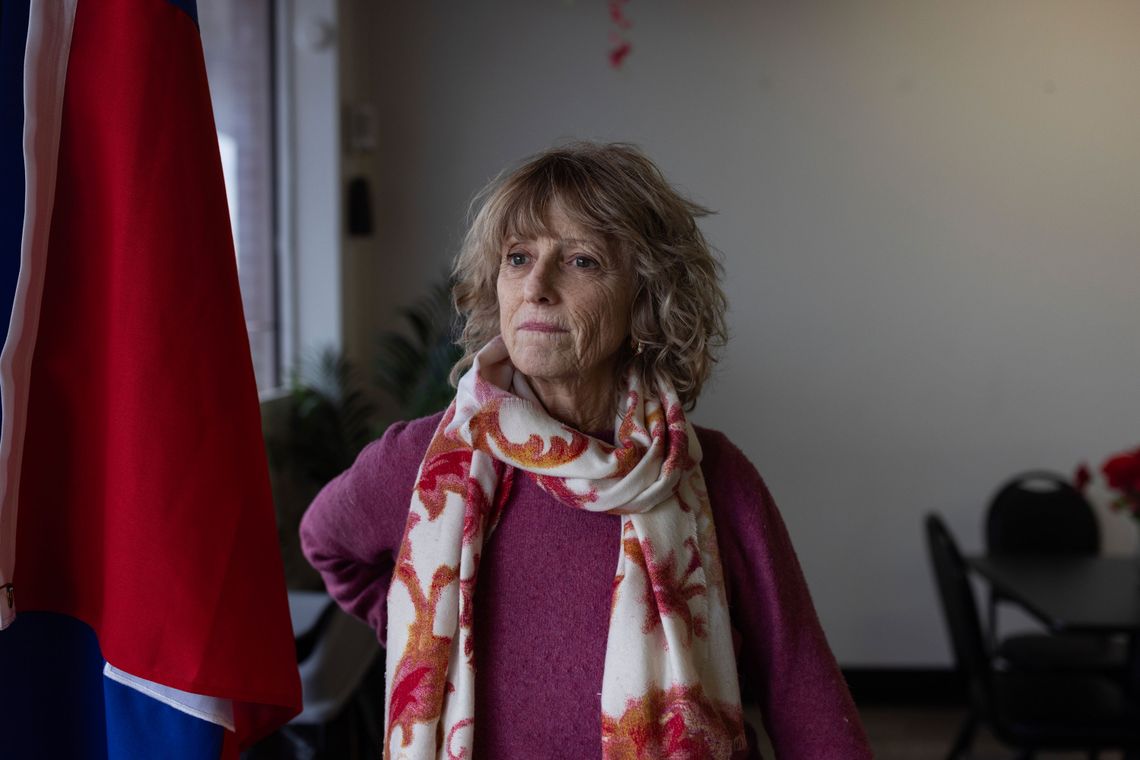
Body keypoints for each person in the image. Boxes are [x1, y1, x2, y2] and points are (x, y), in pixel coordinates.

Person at [300, 142, 871, 759]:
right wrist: (422, 632)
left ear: (647, 297)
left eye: (581, 260)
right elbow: (327, 543)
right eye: (518, 257)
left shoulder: (713, 478)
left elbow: (800, 689)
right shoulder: (427, 460)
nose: (538, 287)